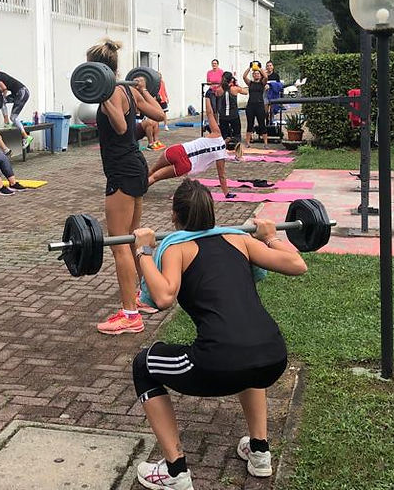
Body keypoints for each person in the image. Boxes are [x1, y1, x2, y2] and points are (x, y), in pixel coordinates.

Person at [130, 179, 307, 489]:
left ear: (175, 216)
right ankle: (259, 452)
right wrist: (271, 237)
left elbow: (164, 297)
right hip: (273, 356)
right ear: (211, 212)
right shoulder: (239, 240)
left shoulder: (176, 247)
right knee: (246, 357)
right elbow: (297, 263)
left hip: (217, 363)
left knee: (143, 366)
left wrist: (144, 251)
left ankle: (175, 471)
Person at [89, 38, 165, 336]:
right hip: (135, 166)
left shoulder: (111, 92)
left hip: (122, 171)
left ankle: (130, 314)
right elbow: (159, 114)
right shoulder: (128, 90)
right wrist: (143, 90)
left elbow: (121, 127)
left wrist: (104, 97)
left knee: (119, 244)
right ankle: (138, 298)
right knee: (133, 239)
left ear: (95, 68)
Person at [148, 95, 242, 198]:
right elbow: (222, 176)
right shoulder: (221, 156)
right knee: (156, 177)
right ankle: (137, 192)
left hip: (178, 150)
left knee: (152, 171)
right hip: (186, 164)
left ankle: (136, 186)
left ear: (228, 138)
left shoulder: (217, 134)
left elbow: (209, 113)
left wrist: (207, 97)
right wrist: (227, 194)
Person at [0, 64, 33, 151]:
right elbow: (5, 88)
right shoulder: (0, 74)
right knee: (2, 101)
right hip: (21, 92)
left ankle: (26, 137)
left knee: (13, 117)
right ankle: (7, 123)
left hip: (21, 93)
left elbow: (4, 88)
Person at [242, 63, 268, 145]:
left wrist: (259, 68)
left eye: (258, 74)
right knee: (250, 124)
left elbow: (266, 77)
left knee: (262, 124)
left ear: (260, 75)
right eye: (255, 74)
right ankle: (247, 142)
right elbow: (244, 77)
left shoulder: (262, 83)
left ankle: (266, 143)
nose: (256, 75)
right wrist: (249, 68)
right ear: (253, 75)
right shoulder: (250, 83)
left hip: (260, 106)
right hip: (250, 106)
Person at [215, 71, 246, 141]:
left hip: (223, 115)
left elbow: (216, 95)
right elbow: (246, 92)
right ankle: (236, 145)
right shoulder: (235, 88)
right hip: (234, 115)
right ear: (231, 80)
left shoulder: (219, 89)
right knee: (237, 135)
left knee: (224, 136)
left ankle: (225, 145)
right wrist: (236, 85)